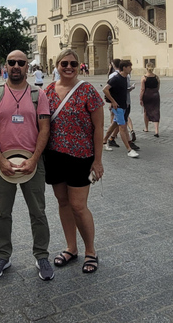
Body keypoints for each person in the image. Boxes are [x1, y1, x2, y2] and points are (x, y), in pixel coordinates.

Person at [0, 50, 53, 281]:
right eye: (11, 62)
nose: (16, 66)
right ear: (5, 65)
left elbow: (45, 129)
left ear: (27, 67)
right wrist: (0, 160)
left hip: (32, 161)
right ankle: (3, 255)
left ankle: (41, 255)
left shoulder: (38, 94)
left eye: (21, 63)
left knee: (38, 212)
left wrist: (34, 159)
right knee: (2, 213)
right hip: (4, 162)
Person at [43, 49, 104, 274]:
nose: (69, 67)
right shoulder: (47, 91)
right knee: (63, 203)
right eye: (64, 63)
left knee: (79, 206)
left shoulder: (87, 90)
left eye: (73, 64)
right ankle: (71, 247)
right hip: (54, 155)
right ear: (56, 65)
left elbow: (99, 129)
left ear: (79, 66)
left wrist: (98, 161)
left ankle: (91, 250)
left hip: (81, 156)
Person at [103, 60, 139, 158]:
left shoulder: (125, 78)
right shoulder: (116, 78)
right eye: (129, 67)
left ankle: (104, 141)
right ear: (124, 67)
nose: (131, 69)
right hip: (117, 107)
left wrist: (129, 91)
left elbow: (122, 91)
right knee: (122, 127)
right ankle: (129, 149)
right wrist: (113, 102)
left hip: (123, 105)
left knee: (114, 124)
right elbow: (105, 89)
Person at [140, 64, 161, 137]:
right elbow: (158, 87)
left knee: (146, 111)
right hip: (155, 94)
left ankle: (146, 128)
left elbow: (142, 89)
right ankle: (156, 130)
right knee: (156, 111)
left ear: (146, 68)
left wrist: (140, 98)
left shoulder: (144, 77)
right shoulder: (156, 77)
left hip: (147, 94)